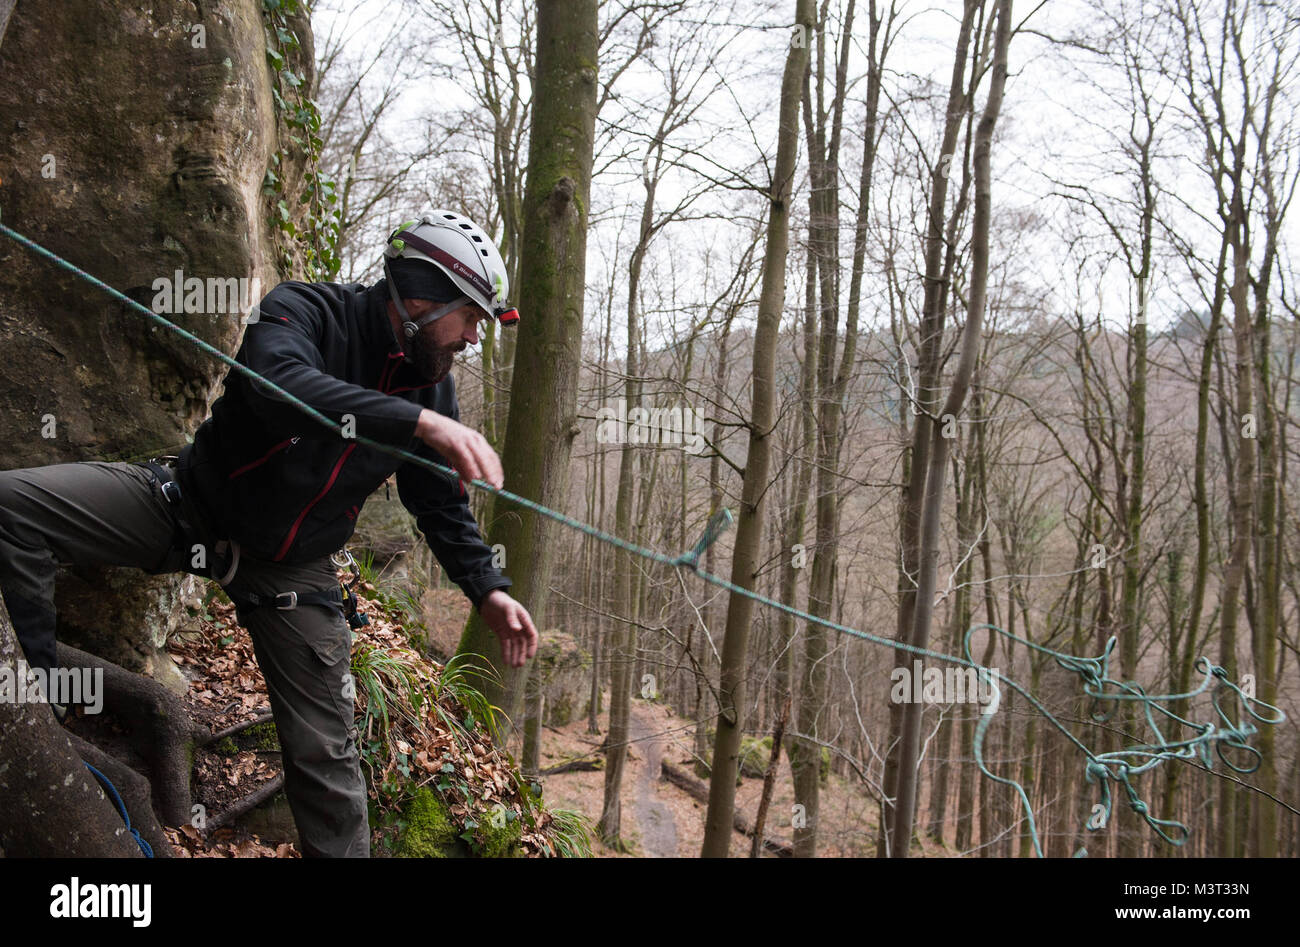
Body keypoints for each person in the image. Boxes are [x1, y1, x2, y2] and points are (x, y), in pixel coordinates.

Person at [0, 210, 538, 857]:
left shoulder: (433, 392)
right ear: (423, 296)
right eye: (471, 317)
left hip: (292, 570)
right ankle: (34, 711)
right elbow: (278, 384)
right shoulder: (305, 310)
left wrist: (489, 588)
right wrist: (417, 420)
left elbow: (440, 506)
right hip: (185, 504)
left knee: (330, 765)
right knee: (11, 507)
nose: (473, 338)